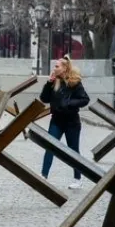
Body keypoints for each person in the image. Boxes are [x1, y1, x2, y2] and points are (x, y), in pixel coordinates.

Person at [40, 55, 90, 189]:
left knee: (73, 151)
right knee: (50, 146)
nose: (54, 68)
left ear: (64, 68)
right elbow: (44, 99)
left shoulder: (75, 83)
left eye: (57, 66)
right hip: (56, 120)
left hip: (71, 122)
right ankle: (43, 175)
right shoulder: (54, 82)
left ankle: (77, 179)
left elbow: (85, 99)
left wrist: (69, 103)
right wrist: (49, 83)